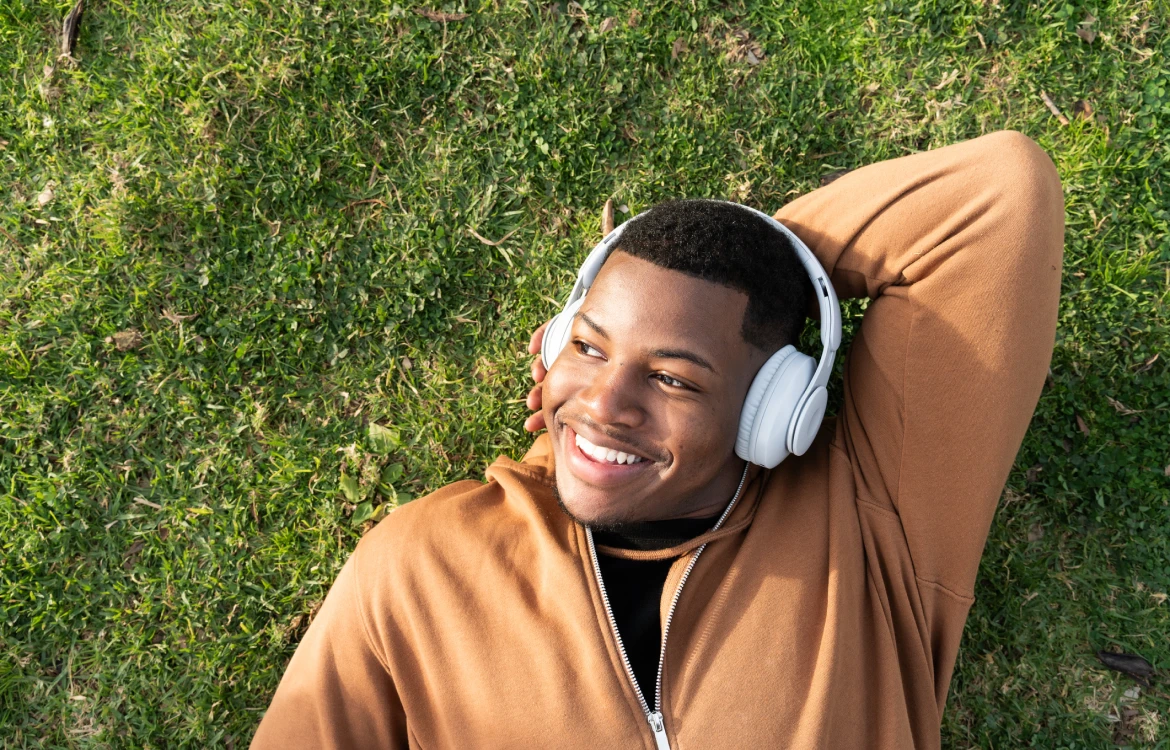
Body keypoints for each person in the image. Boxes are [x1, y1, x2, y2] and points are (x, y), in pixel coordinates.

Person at [251, 131, 1063, 749]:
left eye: (674, 377)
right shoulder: (420, 562)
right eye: (589, 347)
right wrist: (647, 277)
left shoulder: (872, 521)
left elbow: (998, 195)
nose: (605, 403)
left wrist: (755, 273)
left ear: (773, 408)